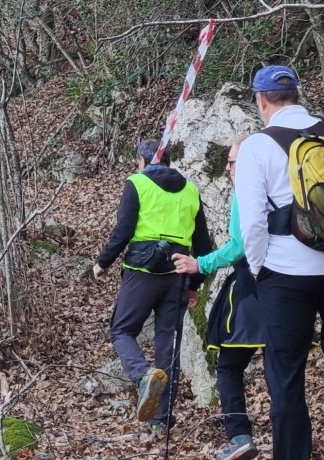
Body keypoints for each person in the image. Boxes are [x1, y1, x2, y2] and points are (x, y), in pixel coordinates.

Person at [234, 65, 324, 460]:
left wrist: (259, 267)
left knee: (286, 369)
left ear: (261, 101)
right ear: (298, 95)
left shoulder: (256, 147)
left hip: (285, 273)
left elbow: (251, 223)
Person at [92, 139, 212, 434]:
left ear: (144, 161)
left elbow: (124, 230)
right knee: (167, 346)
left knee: (121, 330)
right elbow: (202, 244)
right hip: (178, 273)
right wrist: (194, 283)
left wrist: (102, 263)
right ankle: (161, 422)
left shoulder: (137, 183)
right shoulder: (191, 189)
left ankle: (142, 374)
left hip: (142, 270)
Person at [171, 136, 264, 460]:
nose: (227, 167)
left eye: (232, 161)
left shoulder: (246, 192)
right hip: (289, 287)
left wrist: (201, 263)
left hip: (251, 291)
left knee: (228, 367)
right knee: (283, 368)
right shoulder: (279, 187)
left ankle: (239, 437)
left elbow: (238, 245)